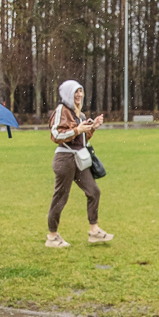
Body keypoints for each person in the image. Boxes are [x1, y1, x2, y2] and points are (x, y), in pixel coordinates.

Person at [45, 80, 111, 247]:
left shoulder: (79, 114)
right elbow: (55, 135)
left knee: (94, 191)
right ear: (68, 94)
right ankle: (52, 237)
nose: (79, 95)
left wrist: (92, 128)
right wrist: (77, 130)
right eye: (76, 92)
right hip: (65, 160)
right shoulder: (62, 110)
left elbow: (81, 140)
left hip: (79, 159)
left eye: (81, 92)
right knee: (60, 197)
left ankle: (94, 231)